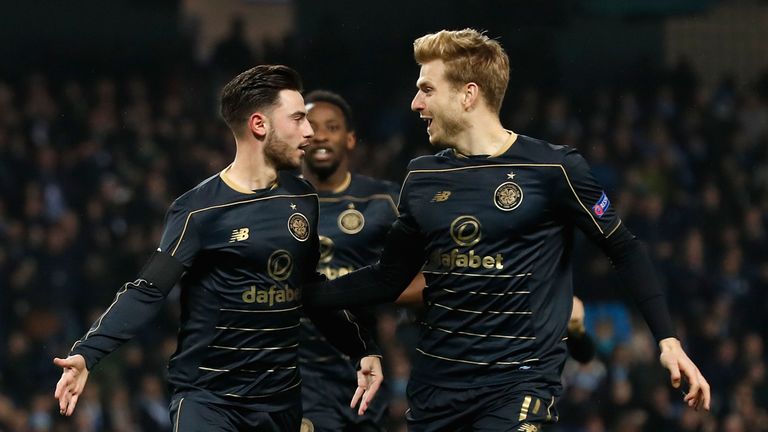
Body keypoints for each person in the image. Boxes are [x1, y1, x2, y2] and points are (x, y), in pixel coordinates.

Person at [303, 29, 710, 431]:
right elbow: (388, 278)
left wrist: (668, 340)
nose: (415, 103)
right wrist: (303, 292)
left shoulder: (554, 169)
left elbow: (623, 248)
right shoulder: (422, 176)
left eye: (426, 89)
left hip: (518, 387)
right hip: (436, 391)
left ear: (468, 94)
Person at [53, 65, 383, 432]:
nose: (309, 132)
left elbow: (309, 289)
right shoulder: (199, 210)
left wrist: (361, 347)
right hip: (210, 404)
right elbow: (148, 291)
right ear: (259, 125)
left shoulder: (303, 198)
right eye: (298, 118)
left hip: (282, 403)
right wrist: (88, 353)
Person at [299, 89, 410, 431]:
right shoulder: (278, 202)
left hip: (365, 369)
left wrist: (377, 294)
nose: (319, 134)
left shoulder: (384, 200)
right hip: (300, 374)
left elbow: (422, 275)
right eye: (311, 125)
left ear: (349, 139)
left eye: (331, 127)